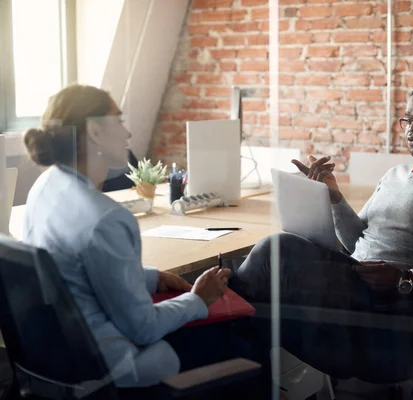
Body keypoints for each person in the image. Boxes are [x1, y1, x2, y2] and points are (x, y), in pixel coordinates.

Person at [229, 83, 413, 379]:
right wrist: (333, 197)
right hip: (353, 283)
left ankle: (209, 331)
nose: (410, 129)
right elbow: (356, 241)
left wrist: (405, 279)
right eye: (407, 119)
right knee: (263, 308)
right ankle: (225, 350)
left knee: (276, 252)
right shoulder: (394, 174)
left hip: (390, 301)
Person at [22, 85, 268, 394]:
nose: (127, 133)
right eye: (119, 119)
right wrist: (197, 299)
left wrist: (151, 278)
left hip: (63, 353)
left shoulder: (45, 186)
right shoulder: (107, 218)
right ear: (95, 132)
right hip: (114, 363)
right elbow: (143, 327)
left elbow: (77, 271)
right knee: (247, 335)